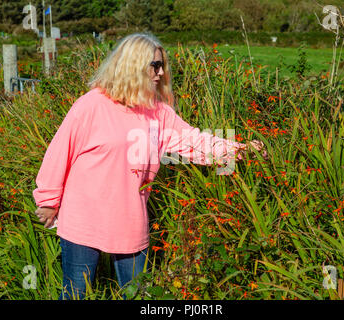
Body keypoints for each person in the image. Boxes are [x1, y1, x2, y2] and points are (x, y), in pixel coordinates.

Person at [33, 33, 267, 300]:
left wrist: (241, 151)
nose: (161, 72)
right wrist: (49, 200)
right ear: (133, 66)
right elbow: (59, 153)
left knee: (138, 295)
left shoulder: (158, 113)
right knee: (75, 294)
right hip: (82, 218)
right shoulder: (91, 106)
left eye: (163, 65)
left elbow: (194, 141)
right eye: (155, 65)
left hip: (130, 218)